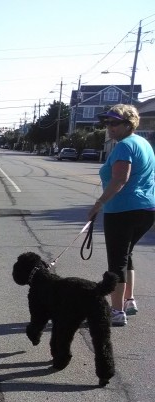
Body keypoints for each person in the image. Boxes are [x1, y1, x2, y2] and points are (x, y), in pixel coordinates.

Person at [85, 104, 155, 327]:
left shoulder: (124, 146)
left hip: (123, 210)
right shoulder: (143, 144)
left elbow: (120, 179)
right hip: (146, 210)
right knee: (126, 255)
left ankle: (116, 312)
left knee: (116, 261)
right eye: (107, 123)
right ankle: (129, 300)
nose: (109, 127)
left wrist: (99, 203)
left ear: (128, 124)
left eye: (114, 123)